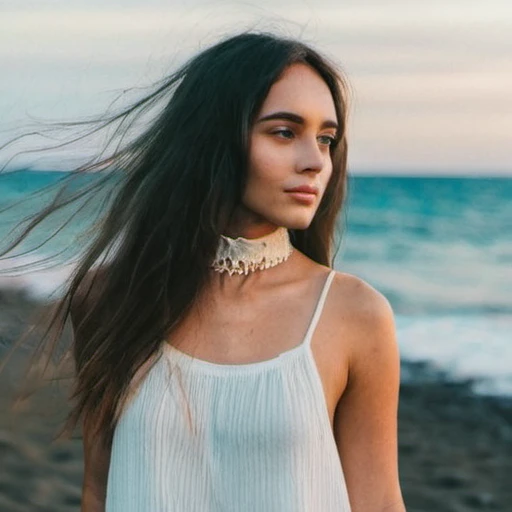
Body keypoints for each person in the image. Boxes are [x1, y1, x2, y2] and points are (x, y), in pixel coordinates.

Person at [1, 32, 405, 511]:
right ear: (214, 137)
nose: (316, 161)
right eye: (284, 132)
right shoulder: (109, 297)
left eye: (326, 139)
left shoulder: (355, 314)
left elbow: (377, 502)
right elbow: (99, 490)